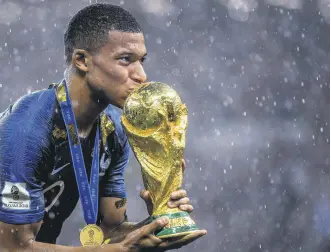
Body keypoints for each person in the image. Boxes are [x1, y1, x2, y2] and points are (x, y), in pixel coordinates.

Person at [0, 3, 206, 252]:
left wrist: (158, 220)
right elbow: (12, 248)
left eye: (141, 60)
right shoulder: (26, 132)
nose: (141, 75)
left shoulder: (113, 129)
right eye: (125, 60)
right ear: (82, 60)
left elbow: (111, 231)